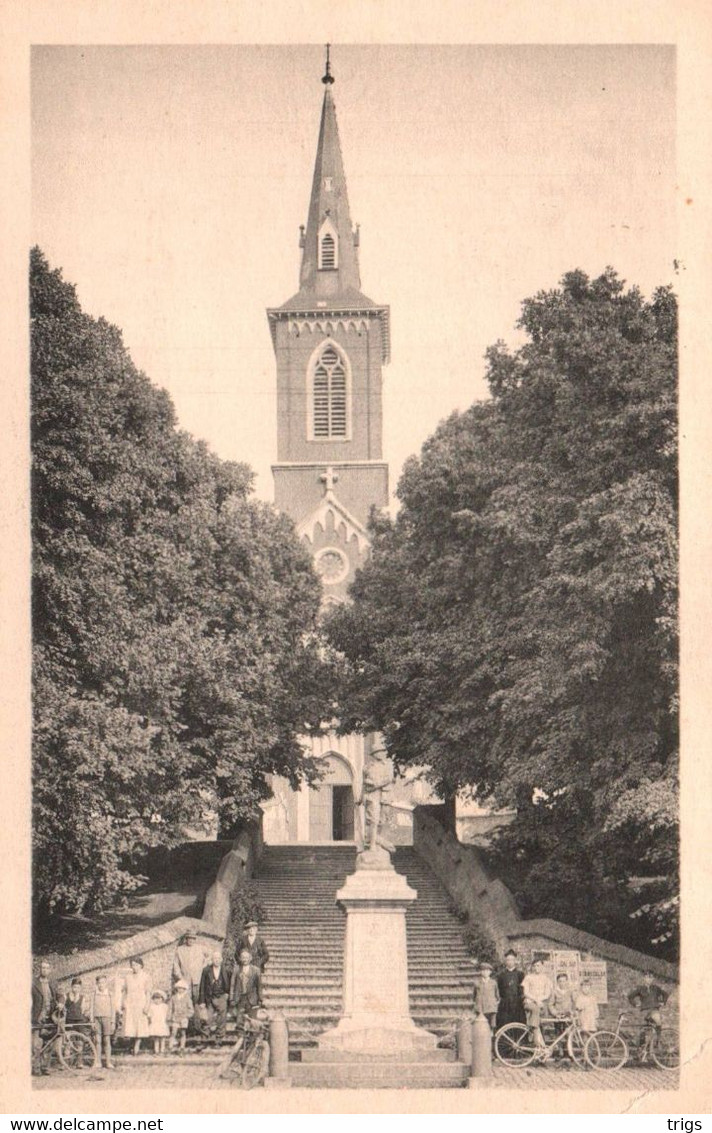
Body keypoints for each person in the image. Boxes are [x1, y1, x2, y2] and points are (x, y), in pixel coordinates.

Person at [628, 970, 669, 1061]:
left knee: (658, 1021)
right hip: (644, 1011)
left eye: (651, 977)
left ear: (653, 979)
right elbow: (630, 996)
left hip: (654, 1010)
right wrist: (635, 1004)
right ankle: (642, 1051)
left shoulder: (656, 988)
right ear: (644, 978)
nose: (649, 979)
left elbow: (665, 994)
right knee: (643, 1031)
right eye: (647, 977)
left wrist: (663, 1002)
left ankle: (657, 1041)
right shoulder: (640, 988)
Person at [31, 960, 59, 1075]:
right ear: (40, 969)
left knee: (49, 1044)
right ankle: (36, 1068)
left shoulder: (53, 982)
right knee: (37, 1045)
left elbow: (60, 995)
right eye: (43, 968)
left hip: (50, 1017)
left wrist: (61, 1003)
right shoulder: (33, 983)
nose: (45, 970)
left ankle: (45, 1067)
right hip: (38, 1017)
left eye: (47, 968)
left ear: (50, 969)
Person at [121, 956, 151, 1055]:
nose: (134, 967)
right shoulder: (128, 977)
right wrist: (123, 1002)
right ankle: (131, 1044)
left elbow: (148, 993)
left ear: (141, 965)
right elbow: (125, 991)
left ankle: (137, 1045)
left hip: (140, 1003)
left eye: (136, 965)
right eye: (132, 965)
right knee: (130, 1024)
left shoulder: (146, 977)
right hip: (130, 1002)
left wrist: (147, 1005)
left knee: (140, 1025)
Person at [198, 950, 231, 1041]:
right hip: (209, 997)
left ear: (221, 959)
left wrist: (227, 994)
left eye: (218, 958)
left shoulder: (226, 970)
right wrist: (202, 1001)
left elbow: (230, 984)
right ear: (212, 960)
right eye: (215, 958)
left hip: (221, 997)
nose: (217, 960)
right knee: (207, 1018)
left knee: (221, 1019)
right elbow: (202, 986)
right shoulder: (206, 970)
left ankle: (219, 1038)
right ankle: (205, 1037)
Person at [172, 930, 207, 1014]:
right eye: (189, 938)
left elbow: (208, 958)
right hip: (185, 978)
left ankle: (196, 1018)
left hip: (197, 978)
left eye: (193, 939)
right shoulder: (180, 949)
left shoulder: (200, 948)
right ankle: (186, 1018)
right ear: (186, 939)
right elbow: (176, 964)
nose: (191, 940)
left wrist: (203, 969)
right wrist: (180, 976)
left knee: (197, 997)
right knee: (186, 998)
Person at [522, 959, 553, 1051]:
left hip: (541, 1003)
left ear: (542, 967)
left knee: (542, 1022)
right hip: (530, 1002)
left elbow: (547, 994)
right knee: (535, 1011)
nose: (536, 968)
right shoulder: (528, 977)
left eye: (538, 966)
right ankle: (537, 1043)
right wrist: (536, 1000)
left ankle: (541, 1048)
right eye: (534, 966)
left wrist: (540, 1000)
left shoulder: (546, 978)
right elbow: (526, 992)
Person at [229, 948, 263, 1028]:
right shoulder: (236, 969)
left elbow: (259, 986)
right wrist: (231, 998)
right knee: (240, 1020)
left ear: (250, 958)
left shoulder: (256, 970)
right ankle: (241, 1037)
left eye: (246, 957)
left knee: (253, 1020)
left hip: (252, 999)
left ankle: (252, 1038)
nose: (245, 959)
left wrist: (260, 999)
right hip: (240, 998)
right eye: (243, 957)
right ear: (240, 958)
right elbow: (232, 984)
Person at [89, 975, 115, 1069]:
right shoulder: (94, 994)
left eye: (103, 982)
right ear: (97, 984)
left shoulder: (110, 994)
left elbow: (113, 1008)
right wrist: (91, 1021)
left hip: (107, 1018)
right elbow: (91, 1008)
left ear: (106, 983)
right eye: (99, 983)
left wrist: (113, 1022)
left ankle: (108, 1062)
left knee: (107, 1040)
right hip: (97, 1019)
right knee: (97, 1041)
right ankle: (98, 1061)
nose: (101, 985)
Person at [496, 950, 526, 1029]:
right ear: (505, 961)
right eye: (508, 960)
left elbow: (522, 988)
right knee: (504, 1022)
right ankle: (504, 1040)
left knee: (518, 1022)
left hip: (517, 1002)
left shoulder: (520, 974)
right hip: (505, 1003)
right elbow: (499, 989)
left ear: (515, 961)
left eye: (512, 960)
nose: (510, 962)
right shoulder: (501, 975)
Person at [473, 962, 500, 1032]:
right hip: (481, 1008)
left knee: (492, 1026)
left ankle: (492, 1038)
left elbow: (497, 996)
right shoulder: (477, 983)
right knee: (481, 1026)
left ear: (490, 972)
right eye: (483, 970)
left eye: (487, 971)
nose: (485, 972)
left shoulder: (493, 983)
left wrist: (494, 1004)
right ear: (481, 972)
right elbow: (474, 995)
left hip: (491, 1008)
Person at [168, 979, 194, 1053]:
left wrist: (186, 1016)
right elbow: (170, 1008)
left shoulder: (187, 998)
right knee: (174, 1032)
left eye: (182, 988)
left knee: (183, 1032)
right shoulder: (173, 998)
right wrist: (169, 1016)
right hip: (175, 1017)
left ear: (185, 989)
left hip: (184, 1018)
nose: (180, 990)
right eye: (179, 988)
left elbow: (191, 1010)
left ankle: (182, 1046)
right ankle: (171, 1046)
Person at [147, 990, 170, 1055]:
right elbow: (149, 1015)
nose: (157, 1000)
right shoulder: (152, 1006)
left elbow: (167, 1014)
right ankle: (156, 1050)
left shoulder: (165, 1006)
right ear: (153, 999)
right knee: (156, 1038)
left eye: (159, 998)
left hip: (162, 1023)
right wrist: (150, 1021)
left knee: (162, 1038)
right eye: (155, 999)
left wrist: (167, 1020)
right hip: (155, 1023)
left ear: (162, 999)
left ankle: (162, 1050)